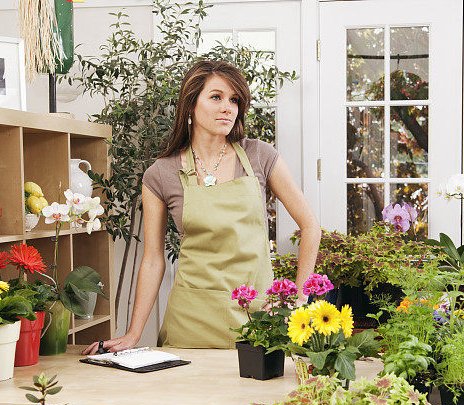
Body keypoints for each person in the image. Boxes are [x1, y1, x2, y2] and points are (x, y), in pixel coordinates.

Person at [83, 60, 319, 353]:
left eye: (234, 100)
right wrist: (133, 334)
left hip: (257, 318)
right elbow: (154, 259)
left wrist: (298, 301)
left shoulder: (259, 156)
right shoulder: (160, 174)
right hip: (190, 319)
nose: (228, 107)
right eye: (216, 97)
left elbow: (310, 227)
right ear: (190, 105)